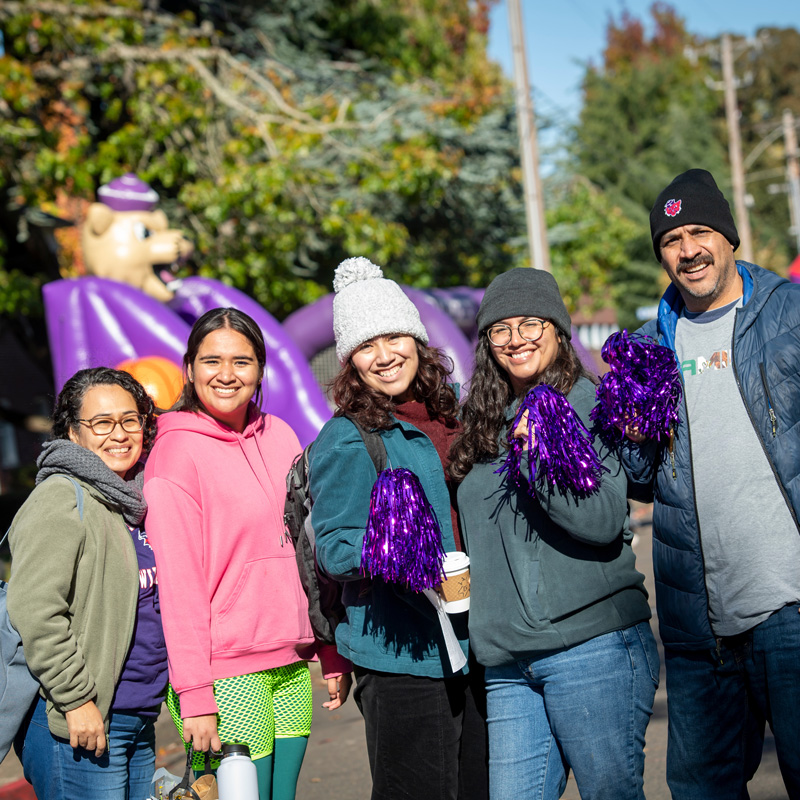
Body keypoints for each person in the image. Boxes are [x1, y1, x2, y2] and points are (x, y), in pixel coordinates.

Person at [622, 168, 800, 799]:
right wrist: (634, 432)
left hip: (792, 603)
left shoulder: (788, 312)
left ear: (729, 237)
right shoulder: (646, 348)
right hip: (698, 622)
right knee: (701, 789)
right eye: (672, 240)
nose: (688, 249)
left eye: (700, 232)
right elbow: (640, 482)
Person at [449, 268, 659, 800]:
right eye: (501, 329)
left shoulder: (587, 403)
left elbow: (604, 518)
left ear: (559, 329)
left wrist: (539, 460)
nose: (516, 339)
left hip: (590, 647)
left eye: (530, 323)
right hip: (506, 662)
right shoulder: (483, 421)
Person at [143, 307, 351, 800]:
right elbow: (179, 587)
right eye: (212, 360)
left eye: (242, 361)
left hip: (291, 658)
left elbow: (309, 549)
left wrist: (329, 646)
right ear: (190, 366)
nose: (227, 374)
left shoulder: (281, 436)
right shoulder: (174, 454)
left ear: (260, 369)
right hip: (225, 670)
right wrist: (195, 695)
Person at [308, 257, 489, 800]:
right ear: (350, 362)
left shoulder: (455, 415)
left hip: (476, 640)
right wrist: (397, 547)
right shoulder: (347, 437)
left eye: (394, 337)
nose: (385, 356)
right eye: (367, 346)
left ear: (417, 338)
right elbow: (335, 551)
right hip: (403, 657)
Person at [7, 367, 166, 800]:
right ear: (74, 433)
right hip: (83, 721)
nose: (119, 433)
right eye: (101, 423)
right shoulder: (62, 498)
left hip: (135, 715)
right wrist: (75, 701)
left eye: (130, 419)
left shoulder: (130, 499)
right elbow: (36, 610)